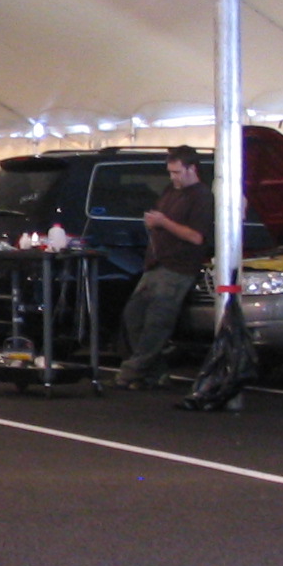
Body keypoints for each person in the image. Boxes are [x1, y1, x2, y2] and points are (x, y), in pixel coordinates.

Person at [113, 144, 215, 390]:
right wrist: (155, 222)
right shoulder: (171, 191)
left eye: (177, 172)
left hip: (178, 268)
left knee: (157, 324)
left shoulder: (201, 197)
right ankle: (152, 371)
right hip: (156, 265)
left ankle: (133, 371)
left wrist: (164, 222)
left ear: (192, 169)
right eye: (171, 172)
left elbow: (197, 237)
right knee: (134, 316)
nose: (173, 177)